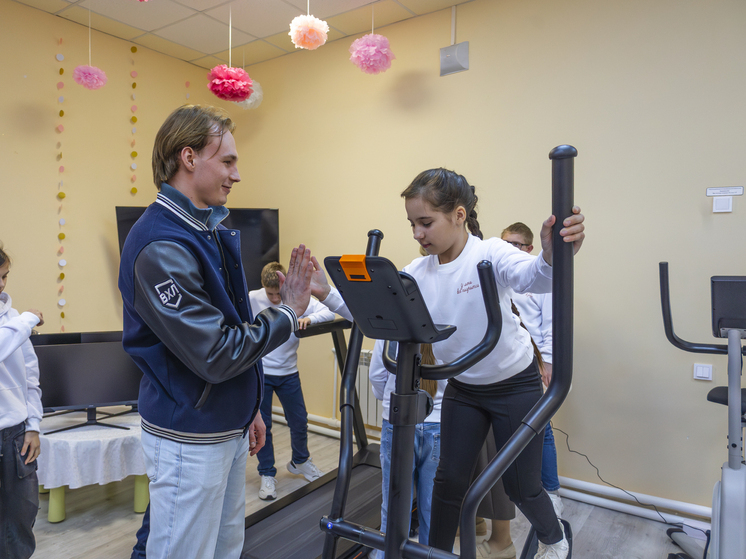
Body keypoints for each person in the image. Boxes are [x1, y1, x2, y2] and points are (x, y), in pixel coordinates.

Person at [307, 168, 584, 559]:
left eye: (425, 223)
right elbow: (376, 313)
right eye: (412, 224)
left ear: (458, 215)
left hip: (513, 384)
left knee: (521, 488)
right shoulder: (417, 272)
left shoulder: (490, 253)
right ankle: (433, 554)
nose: (417, 234)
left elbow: (533, 277)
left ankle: (554, 540)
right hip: (464, 388)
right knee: (449, 482)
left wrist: (553, 257)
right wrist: (326, 294)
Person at [118, 104, 313, 559]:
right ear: (188, 158)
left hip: (224, 424)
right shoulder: (161, 244)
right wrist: (287, 313)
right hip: (190, 435)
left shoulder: (204, 230)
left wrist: (248, 407)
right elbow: (217, 352)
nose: (236, 175)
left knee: (225, 548)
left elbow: (230, 325)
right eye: (227, 161)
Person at [250, 261, 335, 501]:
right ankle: (267, 473)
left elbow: (329, 312)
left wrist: (310, 319)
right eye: (270, 294)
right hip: (262, 374)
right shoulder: (253, 298)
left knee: (299, 421)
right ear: (263, 287)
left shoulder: (297, 297)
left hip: (288, 373)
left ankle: (300, 461)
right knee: (264, 426)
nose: (275, 299)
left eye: (278, 293)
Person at [501, 222, 563, 518]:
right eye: (505, 244)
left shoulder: (541, 281)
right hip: (504, 361)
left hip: (533, 361)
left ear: (529, 248)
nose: (509, 250)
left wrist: (547, 363)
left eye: (515, 245)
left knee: (540, 428)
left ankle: (551, 492)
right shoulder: (500, 275)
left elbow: (551, 324)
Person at [369, 340, 446, 558]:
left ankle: (385, 555)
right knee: (431, 507)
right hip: (437, 423)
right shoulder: (449, 325)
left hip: (398, 419)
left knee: (392, 504)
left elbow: (376, 375)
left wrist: (388, 398)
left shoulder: (391, 328)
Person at [0, 243, 44, 559]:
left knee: (20, 521)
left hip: (15, 437)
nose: (2, 285)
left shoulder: (12, 318)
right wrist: (28, 320)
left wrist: (34, 425)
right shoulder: (20, 322)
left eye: (4, 276)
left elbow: (30, 378)